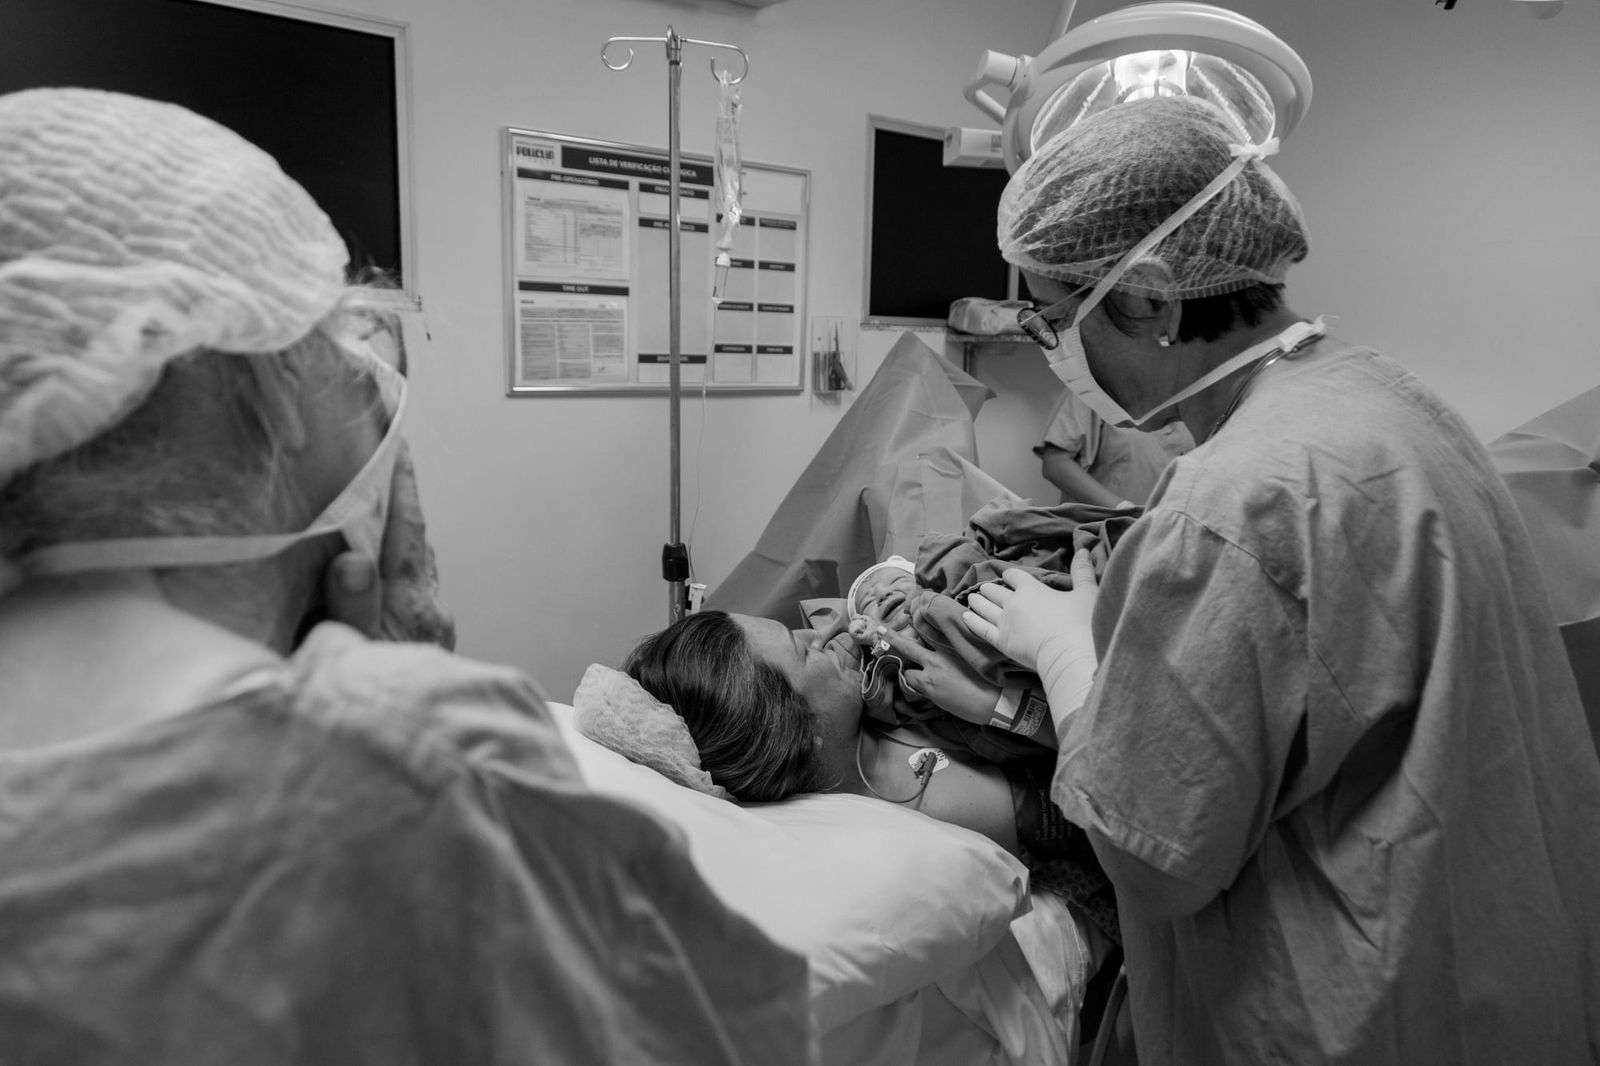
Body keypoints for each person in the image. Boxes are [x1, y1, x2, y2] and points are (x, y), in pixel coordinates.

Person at [0, 87, 811, 1064]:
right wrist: (397, 686)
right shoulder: (410, 761)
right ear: (259, 383)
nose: (381, 408)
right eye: (344, 359)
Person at [958, 94, 1600, 1064]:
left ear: (1150, 298)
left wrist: (1063, 646)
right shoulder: (1390, 403)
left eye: (1056, 318)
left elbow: (1150, 853)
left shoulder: (1232, 503)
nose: (1057, 353)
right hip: (1504, 980)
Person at [622, 609, 1122, 960]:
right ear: (799, 728)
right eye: (804, 648)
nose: (824, 632)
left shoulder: (866, 713)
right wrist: (996, 704)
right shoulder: (945, 810)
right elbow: (1112, 781)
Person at [1034, 386, 1192, 508]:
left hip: (1167, 533)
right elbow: (1055, 463)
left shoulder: (1192, 393)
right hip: (1102, 535)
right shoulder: (1094, 387)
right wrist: (1123, 510)